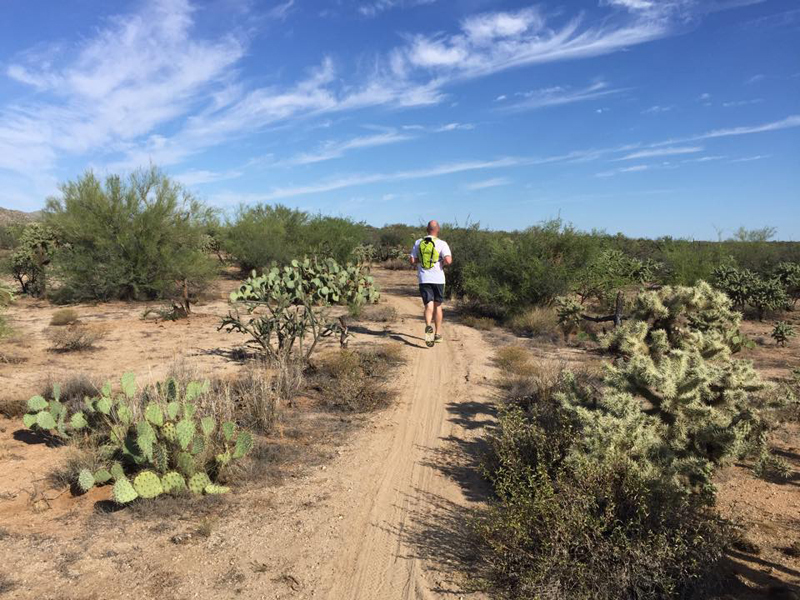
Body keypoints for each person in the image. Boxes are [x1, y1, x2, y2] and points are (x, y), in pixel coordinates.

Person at [410, 220, 452, 347]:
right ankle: (438, 334)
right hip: (438, 279)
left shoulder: (418, 242)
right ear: (437, 229)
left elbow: (412, 260)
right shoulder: (442, 243)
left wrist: (421, 260)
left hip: (424, 279)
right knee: (438, 306)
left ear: (427, 229)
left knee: (428, 306)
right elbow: (448, 261)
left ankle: (428, 326)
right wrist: (441, 262)